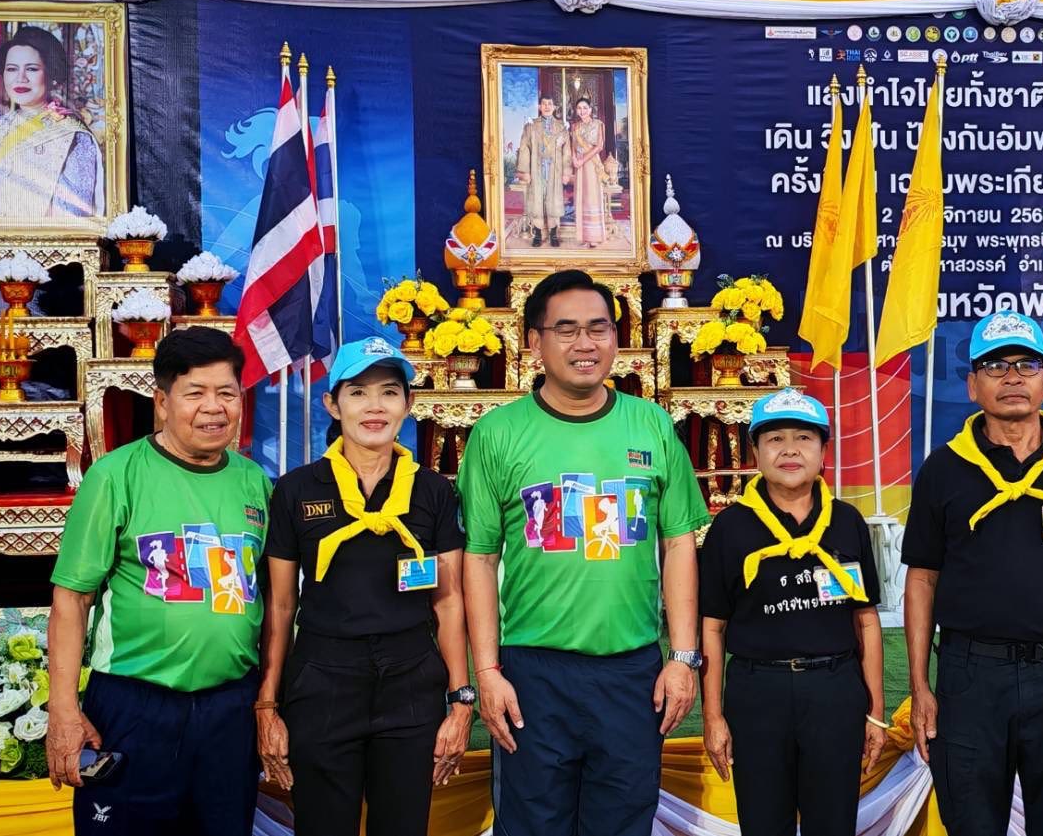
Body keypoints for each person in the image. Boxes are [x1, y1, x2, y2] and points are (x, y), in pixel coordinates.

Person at [458, 269, 711, 836]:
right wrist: (488, 671)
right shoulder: (497, 434)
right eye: (566, 329)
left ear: (616, 338)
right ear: (534, 342)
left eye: (598, 328)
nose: (585, 343)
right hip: (532, 674)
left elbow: (677, 544)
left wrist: (682, 657)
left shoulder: (651, 424)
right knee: (533, 824)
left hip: (631, 672)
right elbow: (479, 558)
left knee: (622, 822)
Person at [901, 310, 1043, 836]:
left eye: (1026, 365)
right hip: (971, 678)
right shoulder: (943, 469)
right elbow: (922, 580)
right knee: (971, 821)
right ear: (972, 385)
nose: (1012, 377)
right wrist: (919, 686)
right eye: (995, 366)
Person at [46, 327, 270, 835]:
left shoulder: (254, 481)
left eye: (227, 393)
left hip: (229, 710)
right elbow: (72, 599)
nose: (213, 408)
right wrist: (63, 710)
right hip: (134, 706)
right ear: (163, 402)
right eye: (195, 393)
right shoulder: (115, 476)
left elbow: (273, 599)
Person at [254, 337, 472, 836]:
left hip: (410, 680)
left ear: (408, 404)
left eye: (389, 392)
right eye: (357, 392)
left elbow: (448, 600)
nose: (375, 406)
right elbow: (282, 605)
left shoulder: (433, 492)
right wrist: (267, 705)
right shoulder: (297, 489)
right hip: (323, 679)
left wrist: (461, 700)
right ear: (332, 404)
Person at [699, 388, 886, 836]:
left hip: (834, 691)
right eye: (775, 439)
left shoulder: (846, 521)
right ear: (755, 452)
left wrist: (876, 711)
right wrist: (713, 716)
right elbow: (713, 627)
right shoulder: (730, 527)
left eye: (803, 438)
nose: (789, 450)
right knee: (763, 822)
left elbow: (865, 619)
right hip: (757, 693)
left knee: (833, 822)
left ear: (823, 451)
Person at [0, 26, 102, 218]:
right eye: (11, 69)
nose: (20, 78)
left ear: (52, 75)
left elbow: (74, 215)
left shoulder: (72, 134)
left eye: (31, 69)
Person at [514, 95, 569, 248]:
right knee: (537, 199)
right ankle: (537, 234)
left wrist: (566, 172)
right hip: (536, 168)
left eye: (550, 104)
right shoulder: (531, 126)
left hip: (554, 169)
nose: (547, 106)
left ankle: (553, 234)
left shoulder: (561, 127)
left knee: (553, 199)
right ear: (539, 107)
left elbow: (567, 152)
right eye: (544, 104)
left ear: (554, 107)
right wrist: (525, 171)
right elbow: (524, 148)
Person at [566, 98, 609, 248]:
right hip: (579, 165)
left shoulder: (598, 124)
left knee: (592, 197)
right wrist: (574, 159)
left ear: (590, 109)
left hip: (591, 163)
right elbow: (572, 146)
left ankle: (594, 237)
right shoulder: (575, 126)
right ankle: (584, 235)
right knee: (581, 197)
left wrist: (582, 160)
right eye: (579, 108)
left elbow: (599, 146)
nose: (582, 111)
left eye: (585, 108)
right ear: (576, 110)